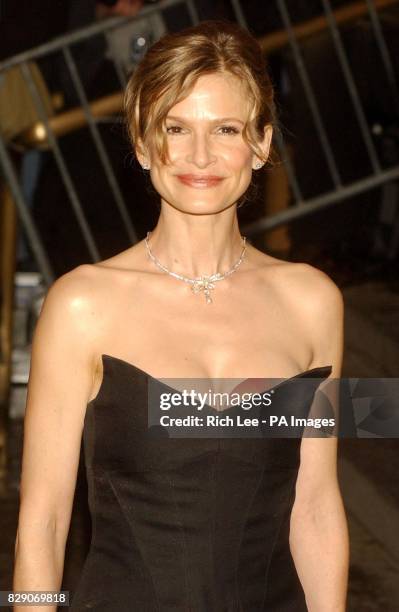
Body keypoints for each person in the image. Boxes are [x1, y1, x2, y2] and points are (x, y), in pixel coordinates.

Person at [13, 20, 349, 611]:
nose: (199, 156)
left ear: (263, 143)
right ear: (143, 144)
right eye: (175, 128)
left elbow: (317, 503)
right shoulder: (81, 304)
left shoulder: (313, 301)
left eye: (226, 129)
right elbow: (42, 520)